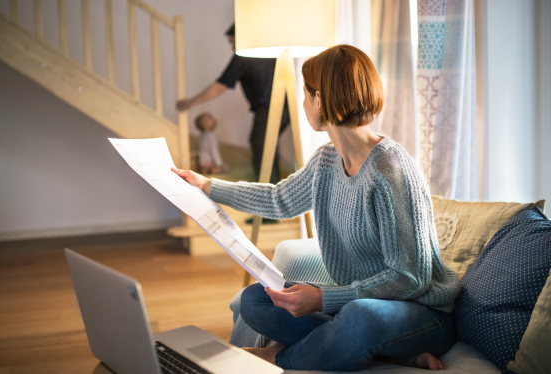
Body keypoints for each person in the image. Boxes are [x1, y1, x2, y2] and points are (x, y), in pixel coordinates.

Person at [172, 44, 461, 371]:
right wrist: (208, 185)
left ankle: (273, 359)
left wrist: (325, 298)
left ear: (320, 99)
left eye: (305, 93)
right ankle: (384, 353)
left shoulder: (390, 170)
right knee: (256, 300)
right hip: (358, 304)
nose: (303, 101)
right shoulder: (326, 161)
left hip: (421, 313)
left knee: (358, 318)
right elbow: (279, 200)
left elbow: (411, 279)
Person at [176, 24, 290, 185]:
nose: (232, 47)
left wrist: (191, 102)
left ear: (241, 38)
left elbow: (220, 86)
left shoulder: (243, 55)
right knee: (267, 148)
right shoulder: (266, 52)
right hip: (284, 107)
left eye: (232, 42)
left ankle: (268, 193)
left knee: (262, 148)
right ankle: (274, 188)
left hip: (269, 107)